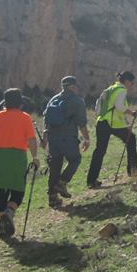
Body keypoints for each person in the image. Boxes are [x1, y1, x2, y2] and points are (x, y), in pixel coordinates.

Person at [0, 88, 40, 240]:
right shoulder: (25, 118)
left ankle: (1, 225)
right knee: (18, 190)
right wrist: (35, 157)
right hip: (17, 156)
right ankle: (9, 212)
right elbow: (32, 140)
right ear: (20, 104)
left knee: (1, 191)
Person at [42, 75, 90, 208]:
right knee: (75, 159)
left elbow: (46, 119)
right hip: (68, 137)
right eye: (76, 86)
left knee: (55, 166)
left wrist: (45, 137)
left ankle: (52, 198)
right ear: (72, 86)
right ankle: (62, 183)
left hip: (53, 138)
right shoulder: (77, 101)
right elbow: (81, 123)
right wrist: (86, 138)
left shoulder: (54, 99)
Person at [86, 71, 137, 188]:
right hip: (112, 123)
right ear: (126, 81)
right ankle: (133, 170)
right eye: (131, 82)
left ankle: (91, 180)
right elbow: (120, 106)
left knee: (99, 151)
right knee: (132, 139)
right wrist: (132, 113)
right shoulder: (121, 90)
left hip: (101, 122)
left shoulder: (110, 88)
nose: (132, 85)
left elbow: (98, 105)